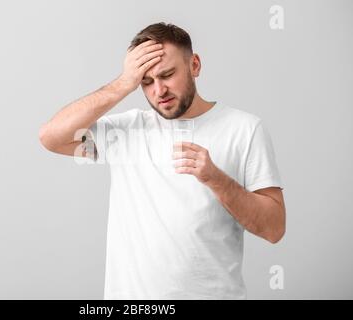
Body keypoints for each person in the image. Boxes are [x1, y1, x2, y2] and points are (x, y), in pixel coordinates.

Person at [39, 22, 286, 299]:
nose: (159, 90)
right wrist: (122, 83)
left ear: (194, 65)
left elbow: (274, 228)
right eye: (146, 82)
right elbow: (52, 137)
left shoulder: (244, 129)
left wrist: (216, 180)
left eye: (167, 75)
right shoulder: (126, 132)